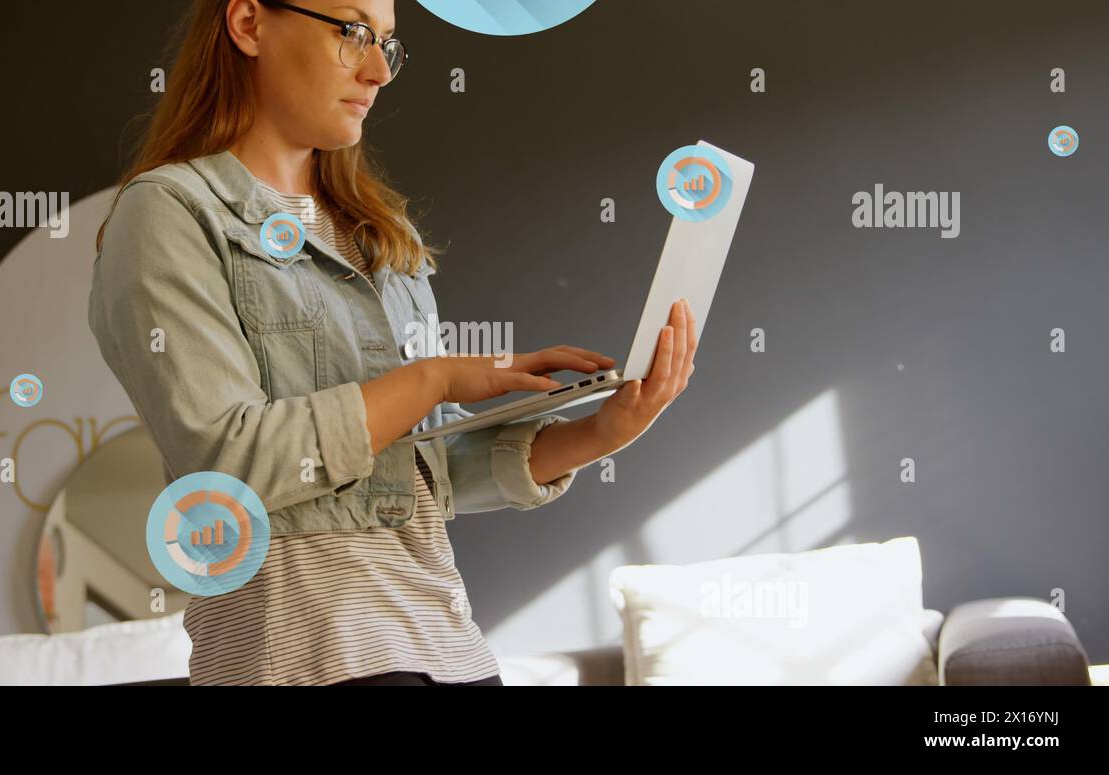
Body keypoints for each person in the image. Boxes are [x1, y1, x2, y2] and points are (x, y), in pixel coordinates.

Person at [88, 0, 697, 686]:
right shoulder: (169, 213)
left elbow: (423, 473)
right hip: (311, 654)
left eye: (387, 44)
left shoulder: (379, 233)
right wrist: (430, 379)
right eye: (352, 33)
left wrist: (600, 431)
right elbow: (225, 463)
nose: (379, 70)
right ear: (249, 23)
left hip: (449, 647)